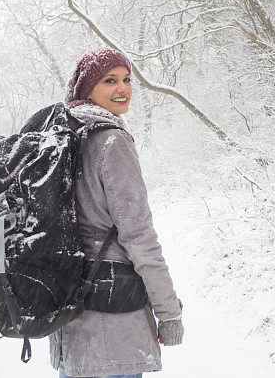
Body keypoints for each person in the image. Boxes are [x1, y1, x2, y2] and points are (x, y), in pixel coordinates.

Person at [49, 48, 184, 378]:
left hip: (68, 319)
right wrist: (169, 313)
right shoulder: (111, 141)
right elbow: (139, 236)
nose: (123, 88)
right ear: (87, 89)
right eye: (110, 80)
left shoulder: (62, 138)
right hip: (113, 324)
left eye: (127, 79)